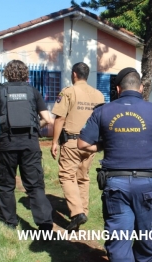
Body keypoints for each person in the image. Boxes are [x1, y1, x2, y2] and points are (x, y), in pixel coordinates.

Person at [77, 67, 152, 262]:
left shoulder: (102, 111)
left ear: (118, 89)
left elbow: (83, 144)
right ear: (142, 88)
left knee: (119, 239)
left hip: (115, 185)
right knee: (144, 236)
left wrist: (104, 144)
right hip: (147, 185)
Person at [0, 59, 54, 231]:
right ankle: (44, 225)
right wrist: (35, 127)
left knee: (6, 185)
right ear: (25, 73)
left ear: (6, 73)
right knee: (35, 185)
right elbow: (49, 119)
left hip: (8, 144)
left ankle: (10, 223)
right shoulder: (32, 92)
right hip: (30, 144)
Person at [50, 62, 105, 231]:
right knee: (83, 177)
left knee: (67, 176)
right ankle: (83, 211)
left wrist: (54, 142)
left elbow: (59, 118)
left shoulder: (68, 92)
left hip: (72, 142)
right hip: (91, 143)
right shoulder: (98, 95)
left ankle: (77, 213)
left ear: (74, 74)